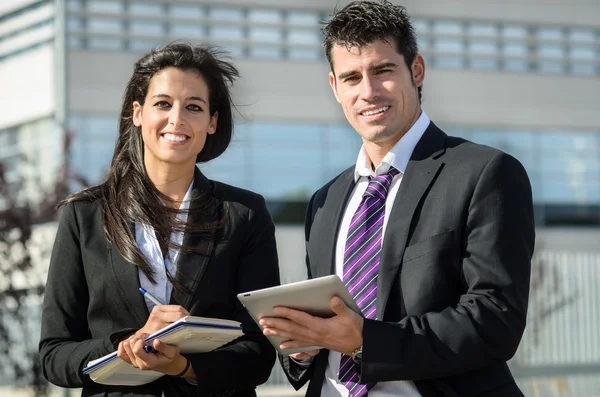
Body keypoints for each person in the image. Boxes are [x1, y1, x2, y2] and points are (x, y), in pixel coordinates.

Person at [259, 1, 534, 396]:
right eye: (351, 77)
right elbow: (324, 331)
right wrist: (301, 344)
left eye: (383, 71)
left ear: (416, 70)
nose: (368, 92)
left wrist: (365, 340)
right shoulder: (325, 200)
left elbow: (496, 320)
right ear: (335, 87)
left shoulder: (485, 173)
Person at [39, 43, 280, 397]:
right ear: (138, 113)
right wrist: (126, 344)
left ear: (212, 122)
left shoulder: (244, 215)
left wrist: (184, 366)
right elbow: (54, 354)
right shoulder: (85, 215)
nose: (177, 119)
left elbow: (259, 353)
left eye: (194, 107)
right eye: (163, 104)